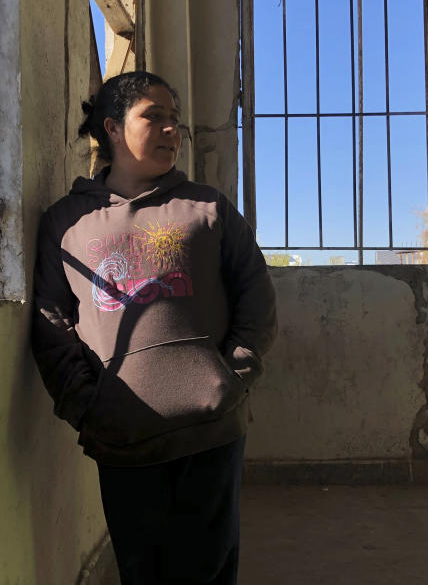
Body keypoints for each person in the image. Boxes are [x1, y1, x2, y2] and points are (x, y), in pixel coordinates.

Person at [31, 71, 276, 584]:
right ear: (114, 127)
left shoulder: (207, 209)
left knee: (208, 572)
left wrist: (231, 379)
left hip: (210, 430)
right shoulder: (67, 223)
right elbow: (51, 321)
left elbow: (256, 295)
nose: (172, 130)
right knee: (143, 574)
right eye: (155, 117)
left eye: (175, 120)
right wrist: (88, 407)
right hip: (124, 436)